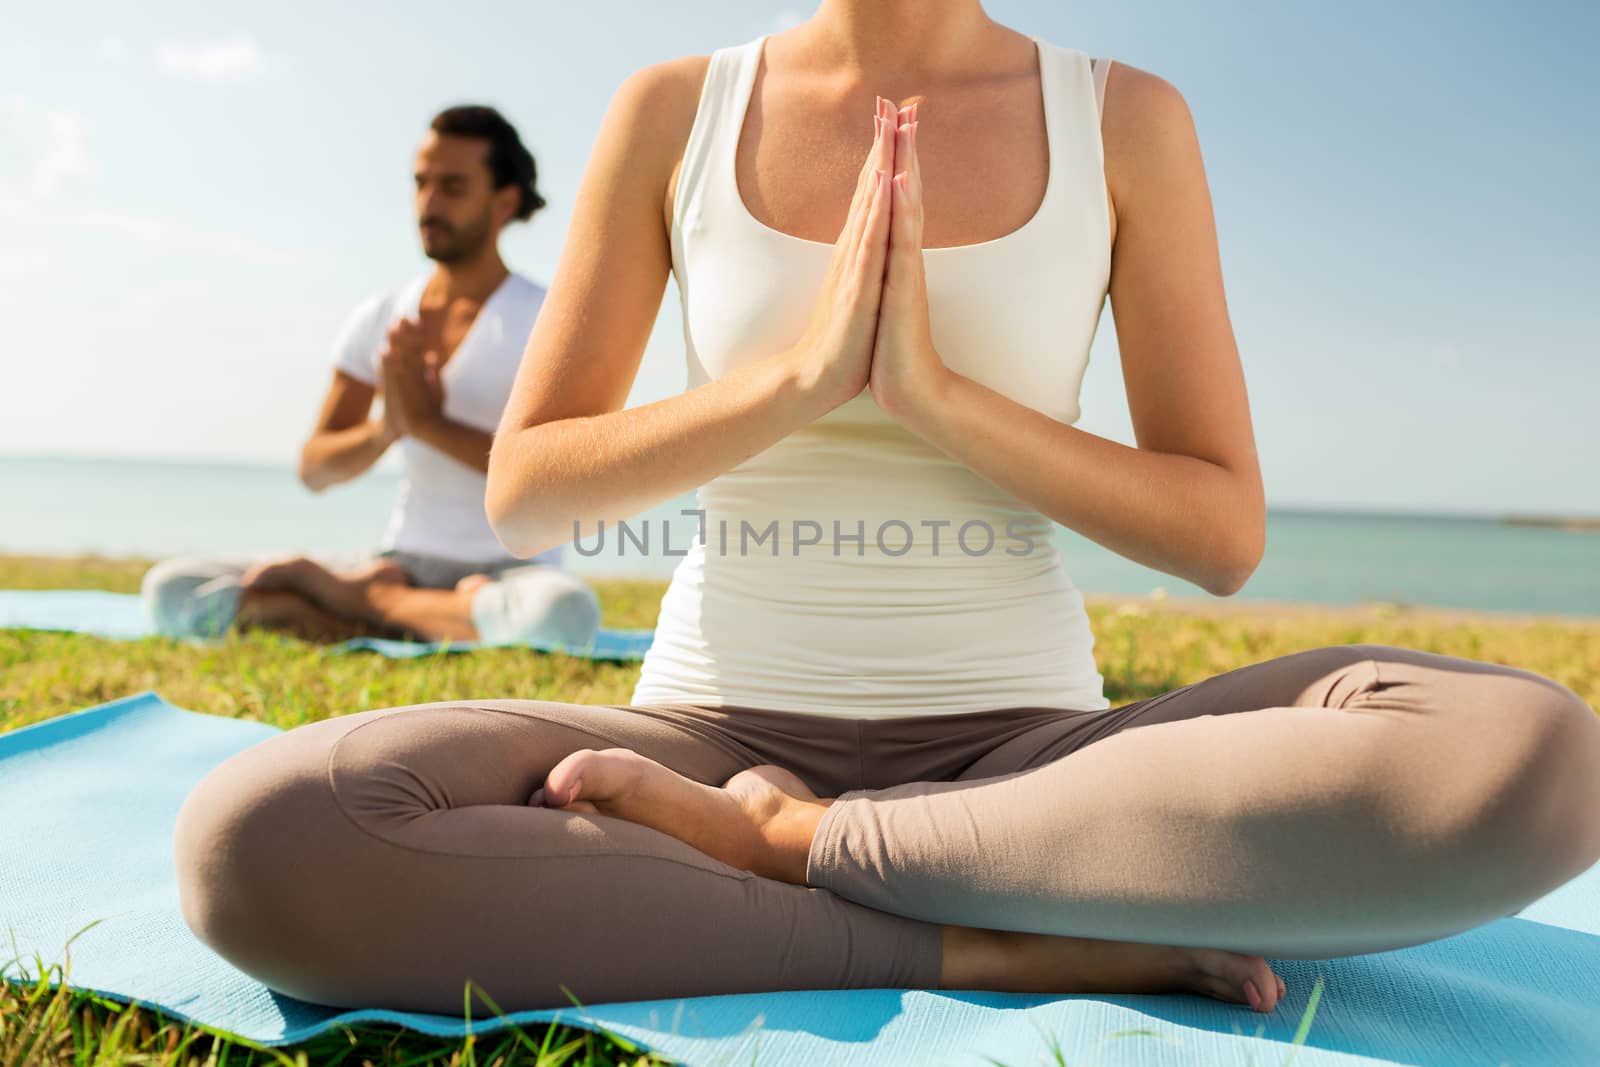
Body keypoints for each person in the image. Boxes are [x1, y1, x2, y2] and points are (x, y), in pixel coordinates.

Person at [172, 5, 1600, 1019]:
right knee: (264, 839)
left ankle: (795, 858)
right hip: (704, 733)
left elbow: (1218, 534)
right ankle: (1013, 938)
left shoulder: (1125, 117)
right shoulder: (677, 106)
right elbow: (533, 487)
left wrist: (935, 393)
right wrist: (797, 378)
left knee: (1534, 755)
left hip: (1037, 758)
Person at [141, 105, 601, 648]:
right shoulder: (382, 316)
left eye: (452, 186)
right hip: (398, 562)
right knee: (169, 589)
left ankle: (362, 605)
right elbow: (316, 469)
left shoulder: (551, 321)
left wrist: (429, 425)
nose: (429, 203)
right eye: (421, 183)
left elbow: (564, 481)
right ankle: (414, 612)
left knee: (565, 617)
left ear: (504, 201)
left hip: (508, 574)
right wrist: (389, 429)